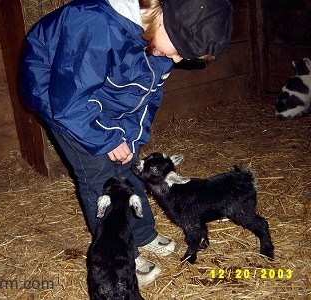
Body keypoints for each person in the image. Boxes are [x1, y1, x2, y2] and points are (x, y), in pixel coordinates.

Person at [20, 0, 233, 285]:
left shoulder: (161, 43)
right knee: (98, 177)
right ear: (165, 20)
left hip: (101, 91)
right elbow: (70, 100)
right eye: (181, 49)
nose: (180, 60)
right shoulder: (96, 26)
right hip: (60, 97)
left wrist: (132, 137)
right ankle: (119, 254)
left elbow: (146, 98)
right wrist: (106, 139)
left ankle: (142, 233)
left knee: (129, 164)